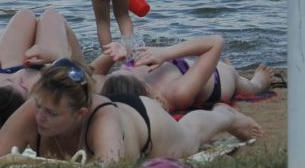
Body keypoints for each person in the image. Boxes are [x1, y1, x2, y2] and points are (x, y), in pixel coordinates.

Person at [0, 60, 264, 164]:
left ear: (80, 114)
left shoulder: (102, 122)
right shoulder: (36, 108)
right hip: (120, 112)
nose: (40, 116)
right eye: (39, 107)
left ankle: (226, 115)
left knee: (192, 136)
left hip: (143, 120)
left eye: (51, 114)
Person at [109, 34, 275, 114]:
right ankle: (258, 82)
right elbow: (216, 42)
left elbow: (92, 74)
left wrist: (112, 55)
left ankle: (225, 66)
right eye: (128, 70)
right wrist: (166, 52)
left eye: (124, 67)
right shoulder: (177, 94)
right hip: (220, 80)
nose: (127, 66)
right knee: (247, 86)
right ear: (144, 87)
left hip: (190, 68)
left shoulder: (117, 83)